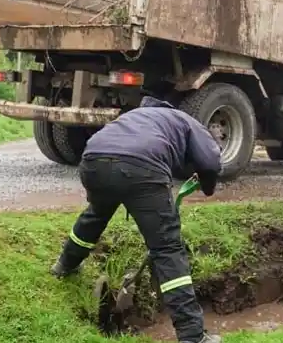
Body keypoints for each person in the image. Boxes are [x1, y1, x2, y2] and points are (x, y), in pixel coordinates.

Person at [50, 95, 223, 343]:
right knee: (167, 250)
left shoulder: (132, 117)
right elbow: (210, 160)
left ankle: (64, 265)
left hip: (93, 161)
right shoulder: (183, 119)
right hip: (141, 169)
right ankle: (192, 336)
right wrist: (208, 186)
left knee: (96, 214)